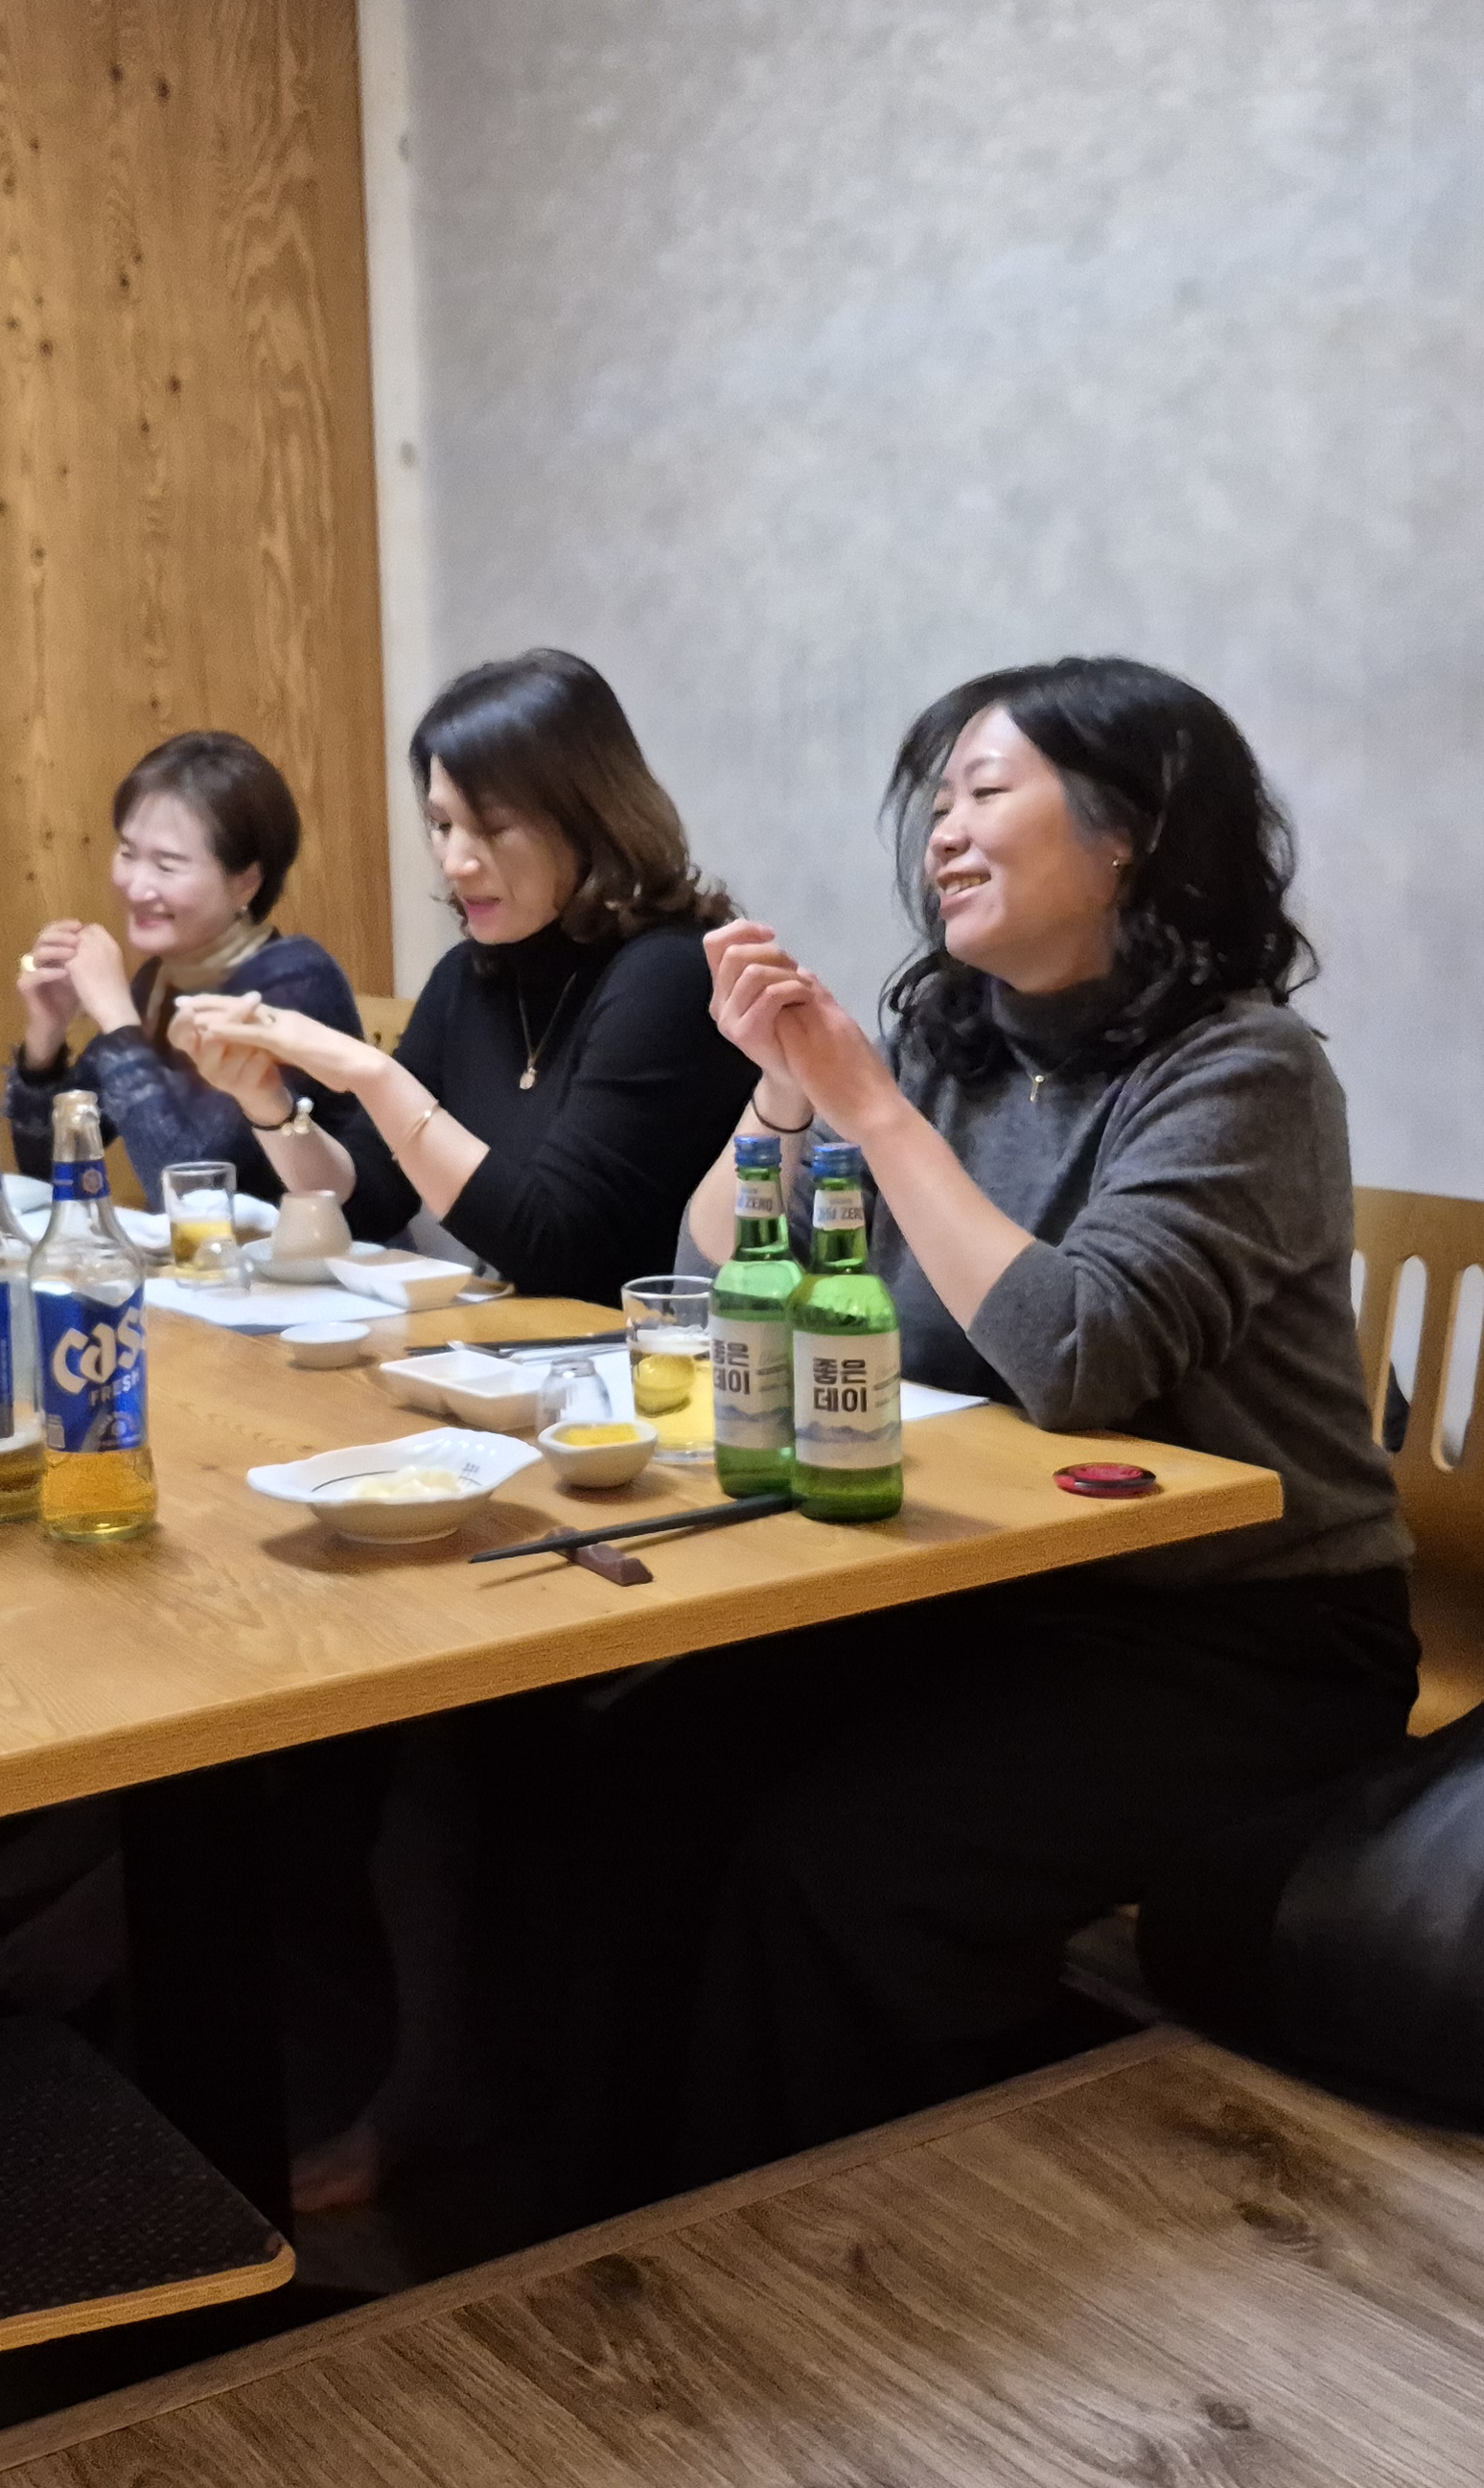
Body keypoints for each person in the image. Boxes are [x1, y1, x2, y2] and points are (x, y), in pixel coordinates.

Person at [477, 656, 1419, 2210]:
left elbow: (1076, 1355)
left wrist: (870, 1104)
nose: (944, 832)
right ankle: (592, 2207)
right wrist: (784, 1100)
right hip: (998, 1583)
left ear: (1131, 833)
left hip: (1249, 1632)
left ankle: (805, 2240)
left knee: (841, 1867)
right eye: (937, 801)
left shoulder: (1244, 1070)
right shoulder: (953, 1047)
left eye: (987, 791)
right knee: (631, 1766)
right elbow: (710, 1272)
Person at [172, 651, 754, 1306]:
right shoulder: (470, 975)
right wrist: (268, 1106)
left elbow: (560, 1249)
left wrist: (373, 1075)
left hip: (662, 1354)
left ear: (590, 819)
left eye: (492, 828)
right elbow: (365, 1203)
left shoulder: (669, 972)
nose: (454, 862)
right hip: (529, 1348)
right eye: (442, 825)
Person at [4, 731, 361, 1200]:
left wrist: (118, 1019)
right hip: (214, 1250)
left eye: (167, 865)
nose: (135, 887)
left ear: (246, 883)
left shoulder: (296, 981)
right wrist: (45, 1042)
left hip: (331, 1248)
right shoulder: (160, 979)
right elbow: (49, 1169)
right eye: (127, 853)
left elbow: (192, 1188)